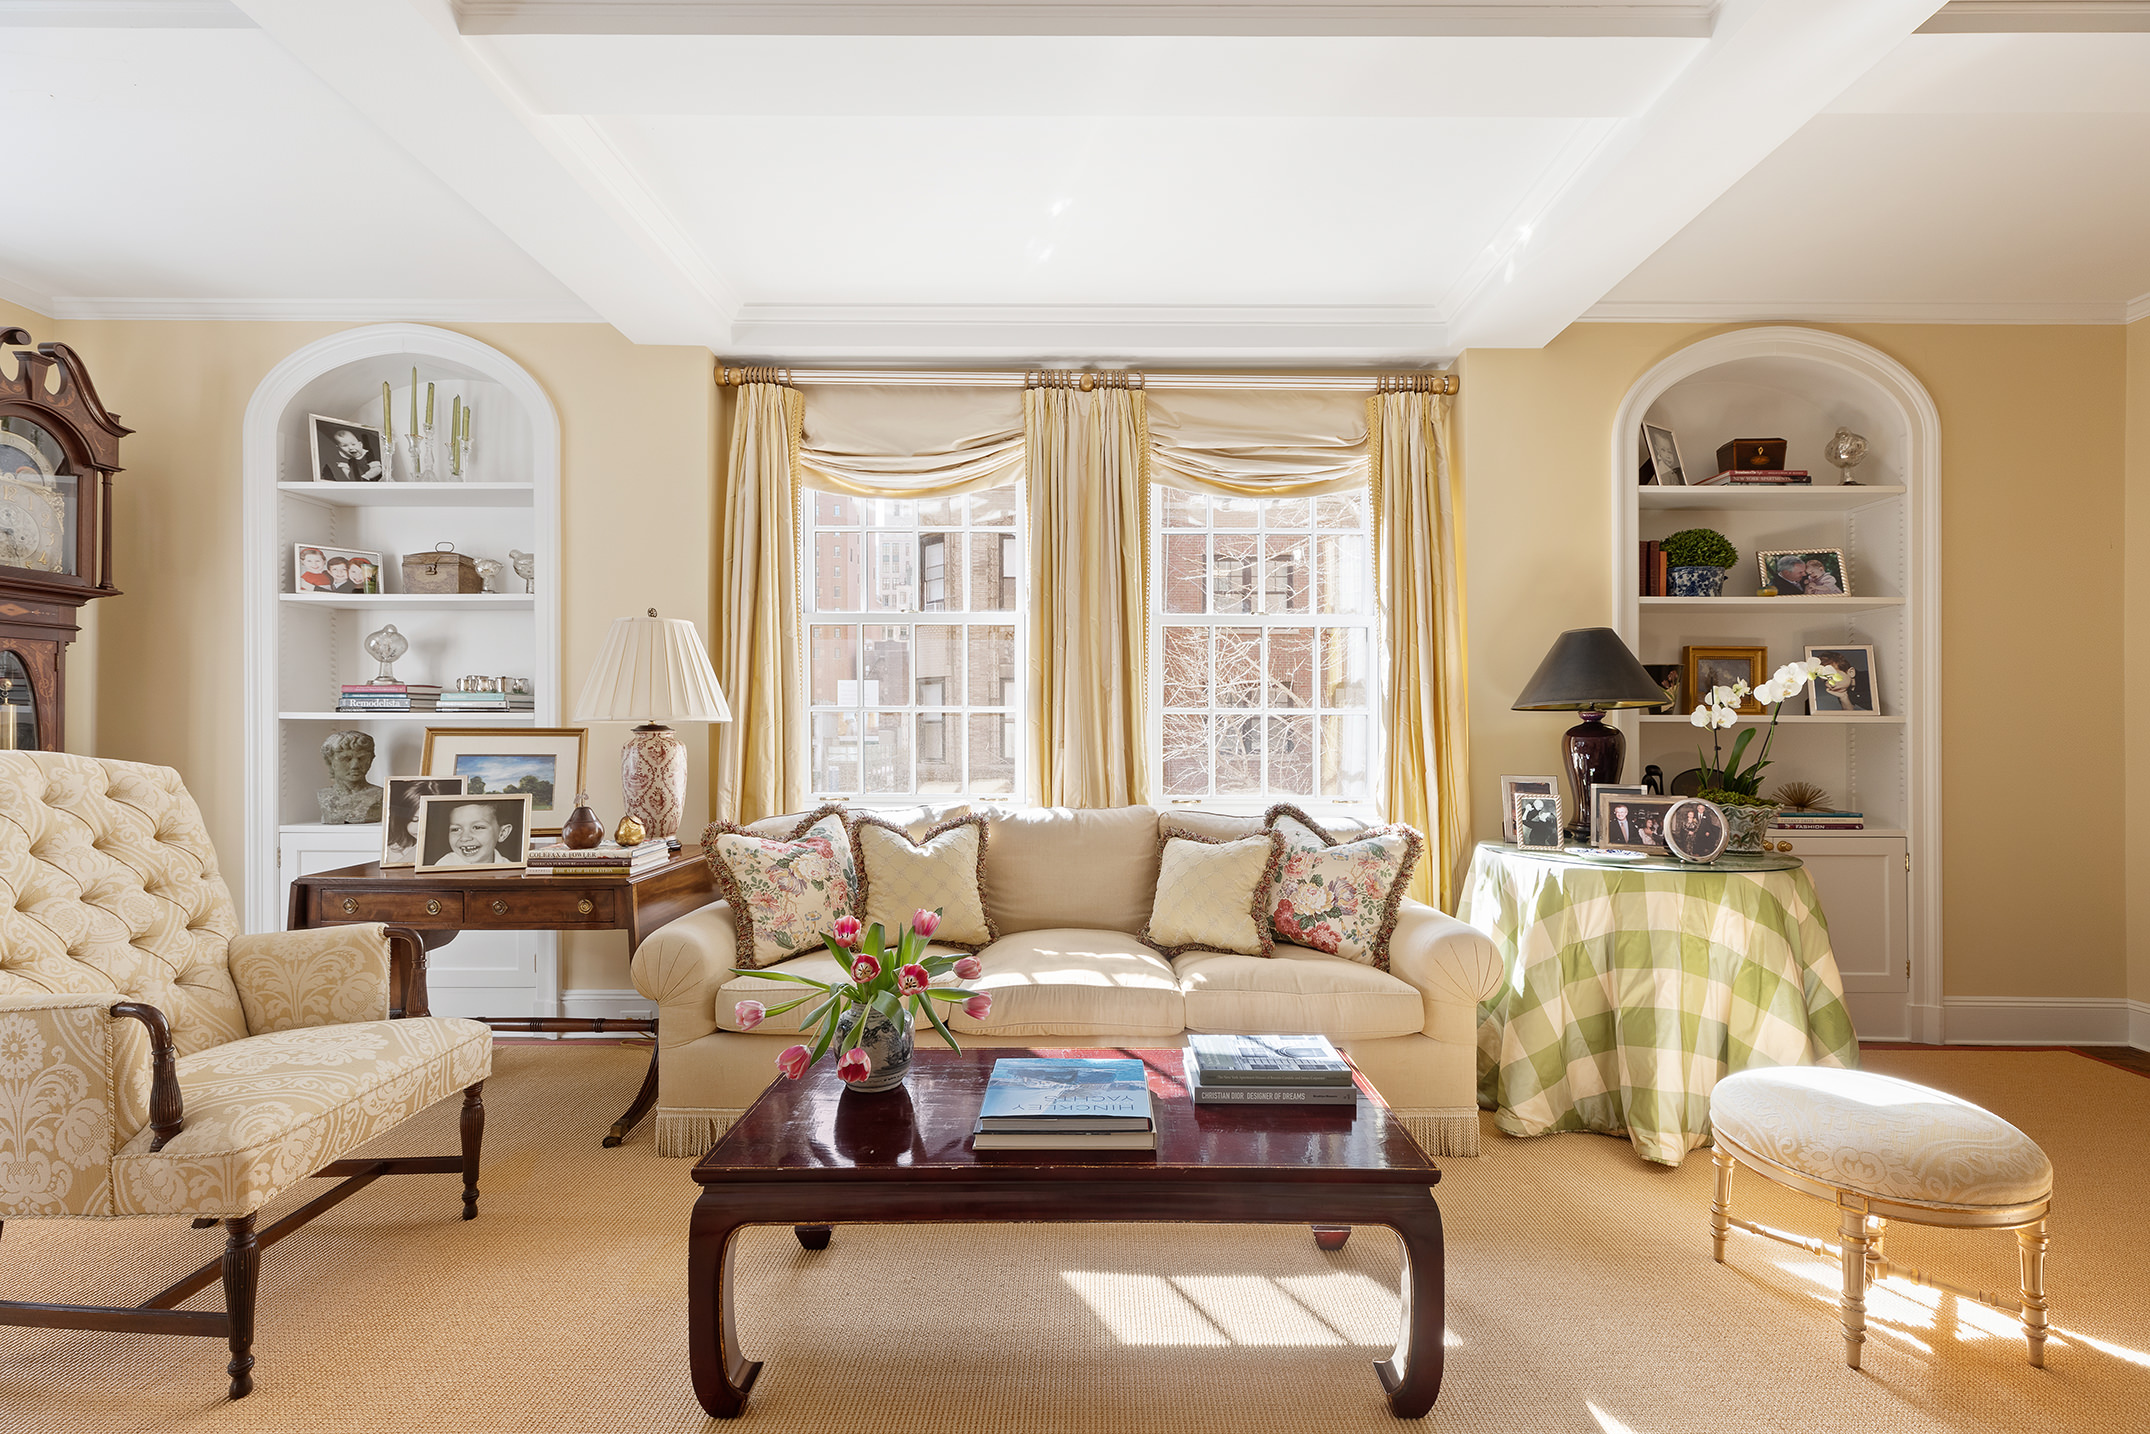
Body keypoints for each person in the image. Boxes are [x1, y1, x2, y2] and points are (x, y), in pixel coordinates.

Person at [316, 730, 382, 824]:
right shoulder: (325, 795)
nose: (355, 765)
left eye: (362, 758)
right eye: (346, 759)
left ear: (371, 760)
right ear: (330, 762)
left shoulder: (379, 794)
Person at [434, 801, 519, 865]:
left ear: (502, 833)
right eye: (456, 829)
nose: (465, 838)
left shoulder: (512, 870)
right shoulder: (444, 866)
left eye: (477, 827)